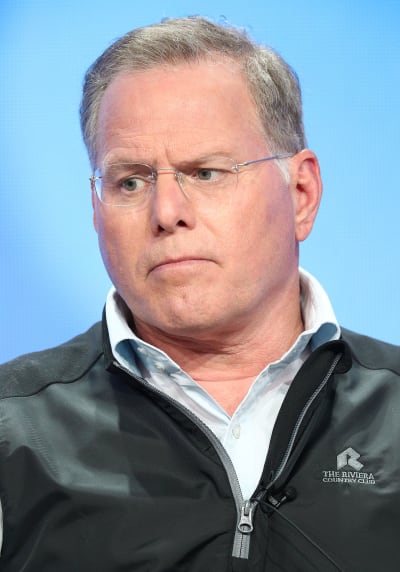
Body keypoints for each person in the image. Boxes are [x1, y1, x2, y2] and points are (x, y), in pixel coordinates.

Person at [0, 16, 399, 572]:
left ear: (302, 193)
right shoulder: (12, 428)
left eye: (207, 173)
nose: (166, 213)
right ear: (96, 209)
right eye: (130, 182)